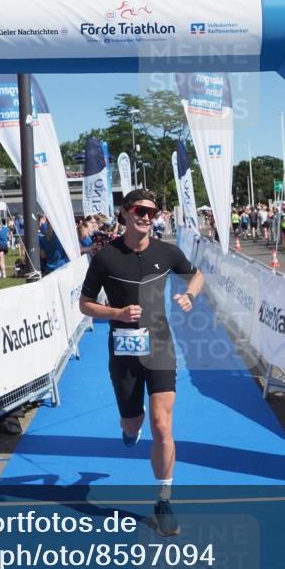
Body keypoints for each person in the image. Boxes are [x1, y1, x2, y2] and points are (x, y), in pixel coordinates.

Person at [78, 189, 204, 537]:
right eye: (139, 210)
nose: (146, 216)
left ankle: (163, 500)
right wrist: (116, 312)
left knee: (162, 424)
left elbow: (198, 275)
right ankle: (129, 427)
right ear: (124, 212)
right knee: (134, 424)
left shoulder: (167, 251)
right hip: (124, 348)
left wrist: (189, 295)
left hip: (160, 344)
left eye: (152, 211)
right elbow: (85, 304)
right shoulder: (106, 257)